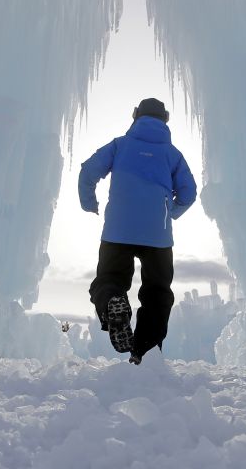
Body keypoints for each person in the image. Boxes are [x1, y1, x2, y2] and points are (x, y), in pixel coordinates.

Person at [78, 98, 197, 365]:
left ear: (135, 116)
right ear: (165, 119)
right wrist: (171, 212)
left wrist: (90, 204)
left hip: (118, 230)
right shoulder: (172, 154)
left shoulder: (119, 145)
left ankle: (112, 301)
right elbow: (189, 193)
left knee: (110, 278)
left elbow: (88, 171)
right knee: (157, 293)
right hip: (158, 235)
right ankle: (143, 353)